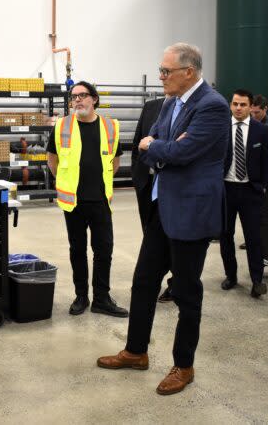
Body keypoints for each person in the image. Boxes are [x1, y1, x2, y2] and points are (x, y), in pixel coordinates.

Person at [97, 43, 229, 395]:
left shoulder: (213, 107)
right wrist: (159, 148)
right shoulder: (171, 102)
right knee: (143, 283)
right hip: (162, 207)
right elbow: (153, 140)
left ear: (189, 71)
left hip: (190, 213)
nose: (161, 77)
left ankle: (183, 365)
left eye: (165, 71)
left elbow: (180, 151)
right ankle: (136, 351)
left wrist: (156, 148)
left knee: (186, 292)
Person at [47, 81, 128, 318]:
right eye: (73, 97)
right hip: (73, 201)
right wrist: (64, 180)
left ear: (94, 99)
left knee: (104, 250)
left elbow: (115, 160)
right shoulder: (62, 126)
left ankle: (101, 298)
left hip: (101, 200)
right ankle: (81, 295)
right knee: (77, 250)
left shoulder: (110, 127)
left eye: (82, 95)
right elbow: (52, 159)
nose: (77, 101)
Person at [220, 89, 268, 298]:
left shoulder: (261, 131)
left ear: (251, 106)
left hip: (251, 191)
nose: (238, 108)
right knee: (225, 236)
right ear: (230, 105)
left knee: (254, 238)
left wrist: (263, 185)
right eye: (235, 104)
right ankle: (231, 276)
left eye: (243, 104)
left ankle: (257, 281)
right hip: (226, 189)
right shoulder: (222, 128)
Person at [131, 96, 174, 303]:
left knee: (173, 238)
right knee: (150, 236)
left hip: (170, 188)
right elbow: (137, 143)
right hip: (147, 184)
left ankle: (175, 285)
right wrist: (137, 177)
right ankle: (154, 281)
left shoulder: (190, 110)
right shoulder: (151, 107)